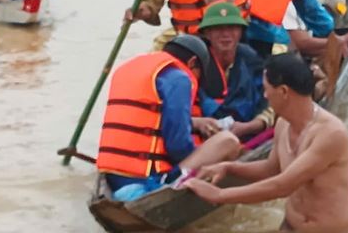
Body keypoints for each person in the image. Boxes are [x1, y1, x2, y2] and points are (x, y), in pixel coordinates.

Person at [184, 53, 348, 232]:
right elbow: (271, 169)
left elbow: (283, 186)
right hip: (291, 227)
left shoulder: (330, 134)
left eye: (267, 89)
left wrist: (220, 195)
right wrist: (229, 167)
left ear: (283, 91)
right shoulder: (283, 124)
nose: (265, 96)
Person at [97, 35, 241, 201]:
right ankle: (172, 182)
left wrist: (196, 123)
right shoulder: (179, 78)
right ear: (192, 63)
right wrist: (204, 154)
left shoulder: (130, 69)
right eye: (198, 74)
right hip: (146, 183)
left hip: (113, 178)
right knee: (228, 142)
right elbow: (178, 145)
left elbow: (149, 119)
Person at [195, 2, 272, 140]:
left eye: (231, 28)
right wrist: (199, 124)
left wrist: (252, 125)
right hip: (203, 136)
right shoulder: (196, 64)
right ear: (207, 33)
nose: (225, 34)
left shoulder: (251, 60)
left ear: (240, 32)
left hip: (247, 133)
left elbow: (271, 101)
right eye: (218, 28)